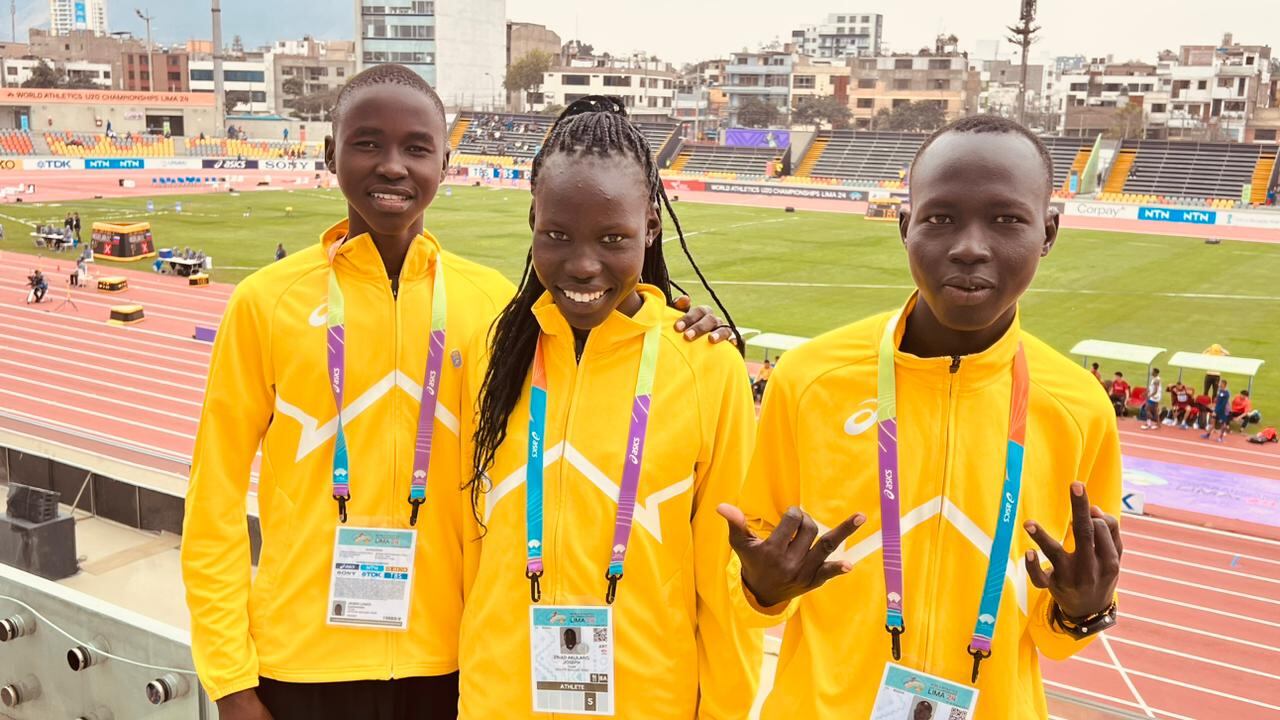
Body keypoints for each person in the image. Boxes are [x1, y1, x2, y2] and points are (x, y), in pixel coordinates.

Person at [182, 67, 725, 720]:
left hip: (452, 666)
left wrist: (680, 322)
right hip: (295, 662)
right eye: (366, 143)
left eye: (415, 148)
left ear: (446, 160)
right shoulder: (264, 304)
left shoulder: (493, 307)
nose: (391, 166)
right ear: (329, 154)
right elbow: (212, 506)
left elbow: (601, 378)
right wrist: (230, 681)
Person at [718, 116, 1122, 719]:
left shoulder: (1078, 408)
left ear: (1049, 232)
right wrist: (762, 588)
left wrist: (1082, 611)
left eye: (1007, 219)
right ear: (905, 228)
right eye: (939, 218)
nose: (969, 246)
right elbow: (747, 584)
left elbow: (1056, 636)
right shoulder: (809, 379)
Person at [456, 97, 760, 719]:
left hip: (650, 701)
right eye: (557, 236)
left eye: (613, 238)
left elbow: (721, 573)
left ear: (650, 227)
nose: (584, 264)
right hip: (501, 699)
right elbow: (466, 548)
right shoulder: (492, 352)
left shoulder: (706, 365)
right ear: (532, 219)